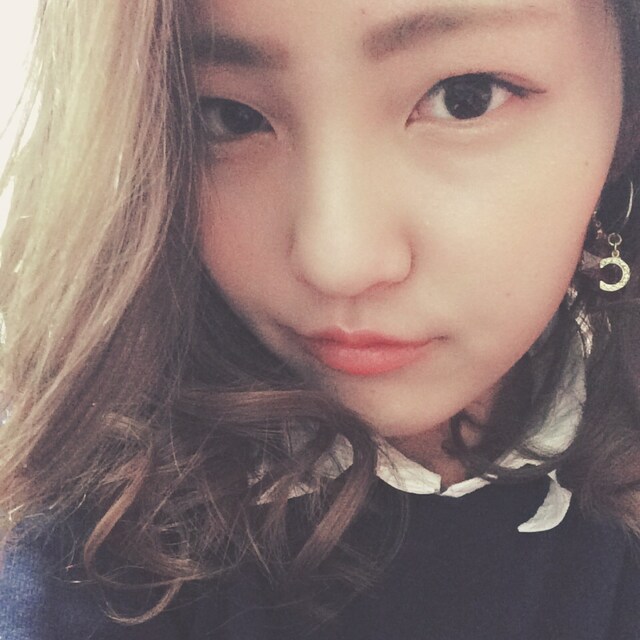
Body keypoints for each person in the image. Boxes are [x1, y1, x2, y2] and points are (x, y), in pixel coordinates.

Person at [1, 0, 640, 638]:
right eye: (229, 116)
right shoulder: (94, 549)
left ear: (626, 119)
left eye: (464, 98)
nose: (336, 263)